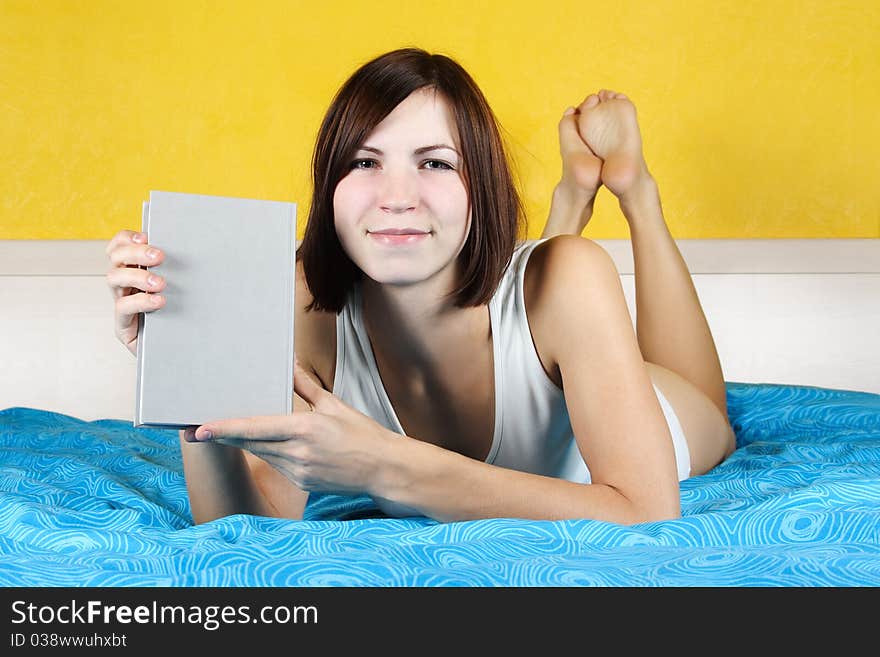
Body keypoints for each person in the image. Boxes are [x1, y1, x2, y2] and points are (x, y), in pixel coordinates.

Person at [105, 48, 735, 525]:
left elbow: (648, 514)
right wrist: (193, 380)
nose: (397, 197)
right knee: (541, 284)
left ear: (481, 185)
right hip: (541, 337)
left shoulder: (574, 275)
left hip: (639, 402)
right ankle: (568, 199)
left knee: (706, 405)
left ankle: (633, 191)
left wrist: (386, 466)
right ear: (329, 189)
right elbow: (251, 524)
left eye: (434, 162)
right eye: (364, 162)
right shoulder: (306, 301)